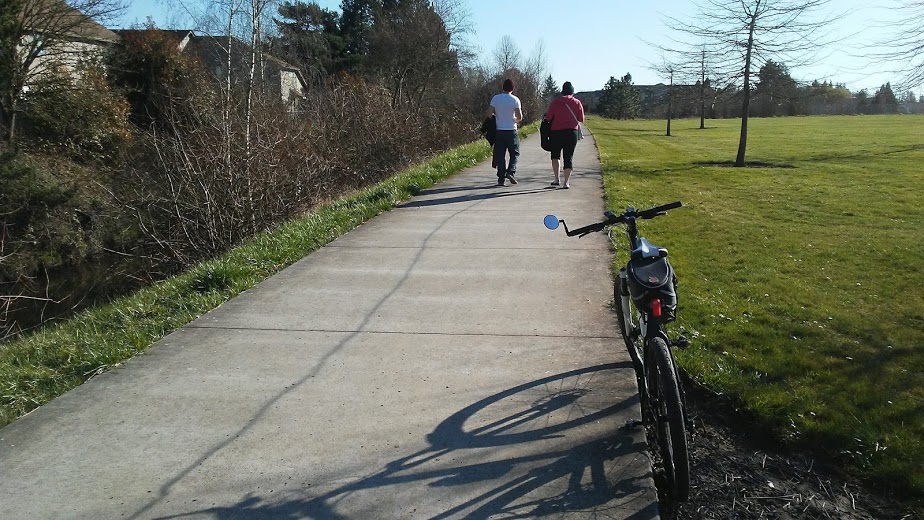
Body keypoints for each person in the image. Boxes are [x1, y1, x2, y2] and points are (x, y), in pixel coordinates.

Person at [544, 81, 584, 189]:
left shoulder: (555, 102)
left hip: (556, 133)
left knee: (555, 155)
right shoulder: (577, 102)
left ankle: (556, 179)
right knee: (568, 157)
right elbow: (581, 119)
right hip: (571, 133)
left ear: (562, 91)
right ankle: (566, 182)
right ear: (572, 91)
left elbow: (548, 118)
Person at [486, 78, 523, 186]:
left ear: (503, 87)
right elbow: (519, 117)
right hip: (511, 130)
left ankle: (501, 179)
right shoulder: (515, 100)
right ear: (513, 88)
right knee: (515, 153)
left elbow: (488, 113)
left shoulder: (496, 98)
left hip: (499, 131)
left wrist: (496, 117)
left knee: (500, 155)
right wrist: (514, 120)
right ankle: (510, 172)